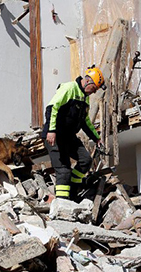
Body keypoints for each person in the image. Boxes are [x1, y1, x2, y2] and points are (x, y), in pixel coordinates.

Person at [41, 66, 106, 200]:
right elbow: (52, 107)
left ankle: (73, 190)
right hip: (55, 136)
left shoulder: (84, 97)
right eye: (93, 89)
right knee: (63, 170)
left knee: (85, 160)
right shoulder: (69, 88)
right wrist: (51, 131)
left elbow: (85, 121)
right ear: (88, 82)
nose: (93, 93)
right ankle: (62, 203)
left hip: (69, 137)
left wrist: (97, 138)